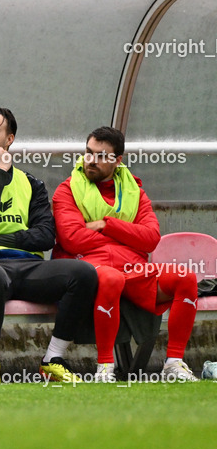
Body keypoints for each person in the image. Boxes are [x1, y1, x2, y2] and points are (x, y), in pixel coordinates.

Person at [53, 126, 199, 381]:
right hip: (87, 268)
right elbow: (72, 239)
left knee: (185, 278)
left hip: (133, 268)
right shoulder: (66, 190)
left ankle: (174, 362)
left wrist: (106, 224)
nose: (91, 160)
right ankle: (105, 367)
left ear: (118, 160)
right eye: (88, 153)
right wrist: (128, 236)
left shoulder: (136, 192)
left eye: (101, 156)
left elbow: (151, 239)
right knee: (111, 278)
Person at [0, 105, 97, 384]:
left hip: (29, 265)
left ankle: (53, 359)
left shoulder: (31, 183)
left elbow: (45, 236)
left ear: (9, 139)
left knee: (84, 273)